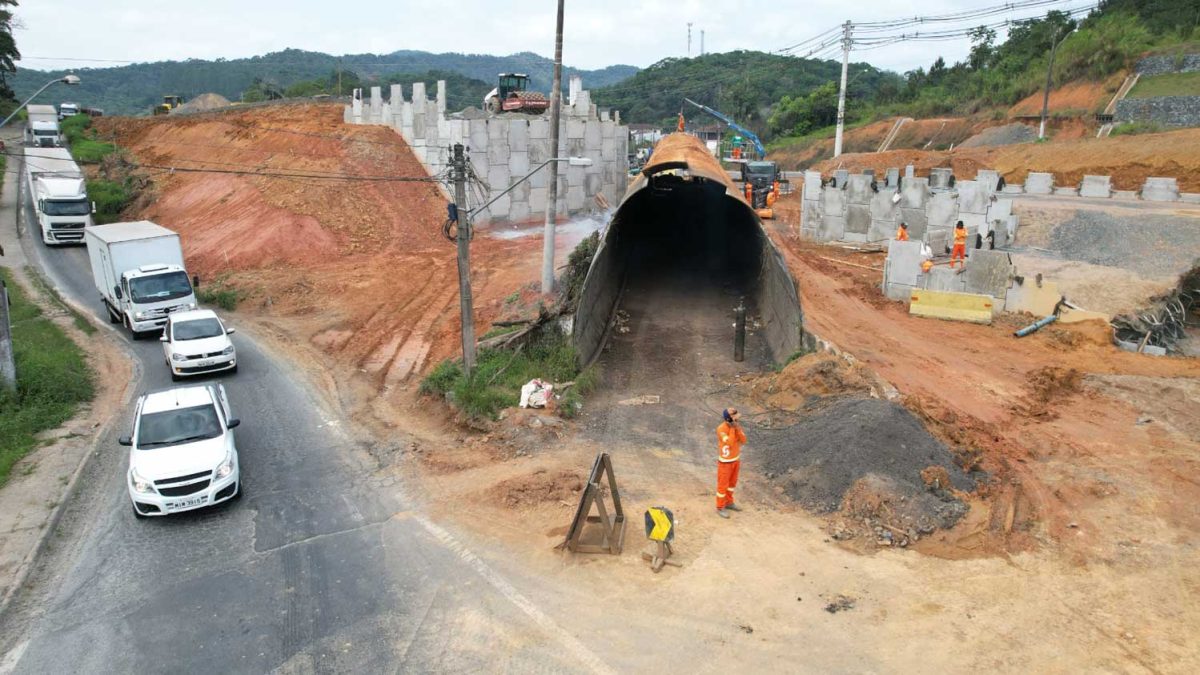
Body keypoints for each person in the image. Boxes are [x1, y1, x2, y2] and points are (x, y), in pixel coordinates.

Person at [716, 408, 746, 518]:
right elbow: (730, 443)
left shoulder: (736, 426)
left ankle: (729, 502)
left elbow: (743, 440)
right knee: (722, 485)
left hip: (735, 460)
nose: (738, 416)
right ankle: (720, 507)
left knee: (732, 484)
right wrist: (733, 429)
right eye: (735, 415)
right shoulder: (721, 429)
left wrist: (736, 428)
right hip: (725, 463)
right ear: (730, 418)